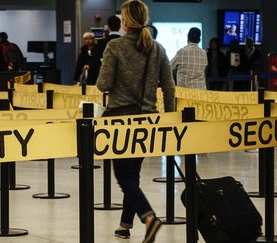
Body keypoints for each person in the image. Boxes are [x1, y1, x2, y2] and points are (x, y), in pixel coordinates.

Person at [96, 0, 175, 242]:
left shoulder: (115, 46)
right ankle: (124, 224)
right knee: (133, 173)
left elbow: (103, 84)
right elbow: (169, 87)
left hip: (120, 119)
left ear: (125, 21)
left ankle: (148, 217)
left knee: (124, 176)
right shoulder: (158, 48)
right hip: (148, 120)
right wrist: (170, 117)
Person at [88, 16, 122, 85]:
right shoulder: (125, 42)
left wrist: (90, 82)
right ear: (120, 26)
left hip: (105, 81)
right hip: (121, 82)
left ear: (108, 27)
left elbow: (95, 63)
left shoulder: (102, 42)